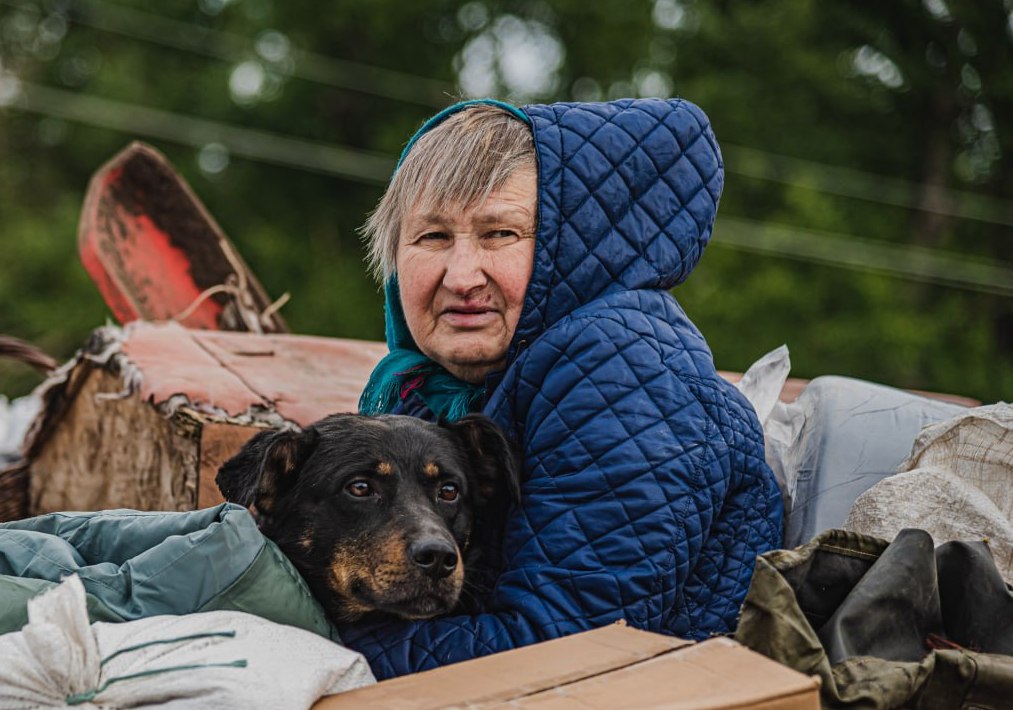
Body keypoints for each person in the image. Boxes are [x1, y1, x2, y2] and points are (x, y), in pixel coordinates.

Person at [343, 97, 784, 679]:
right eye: (432, 238)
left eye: (500, 233)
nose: (462, 275)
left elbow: (562, 653)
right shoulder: (428, 389)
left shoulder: (625, 370)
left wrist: (314, 636)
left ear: (568, 246)